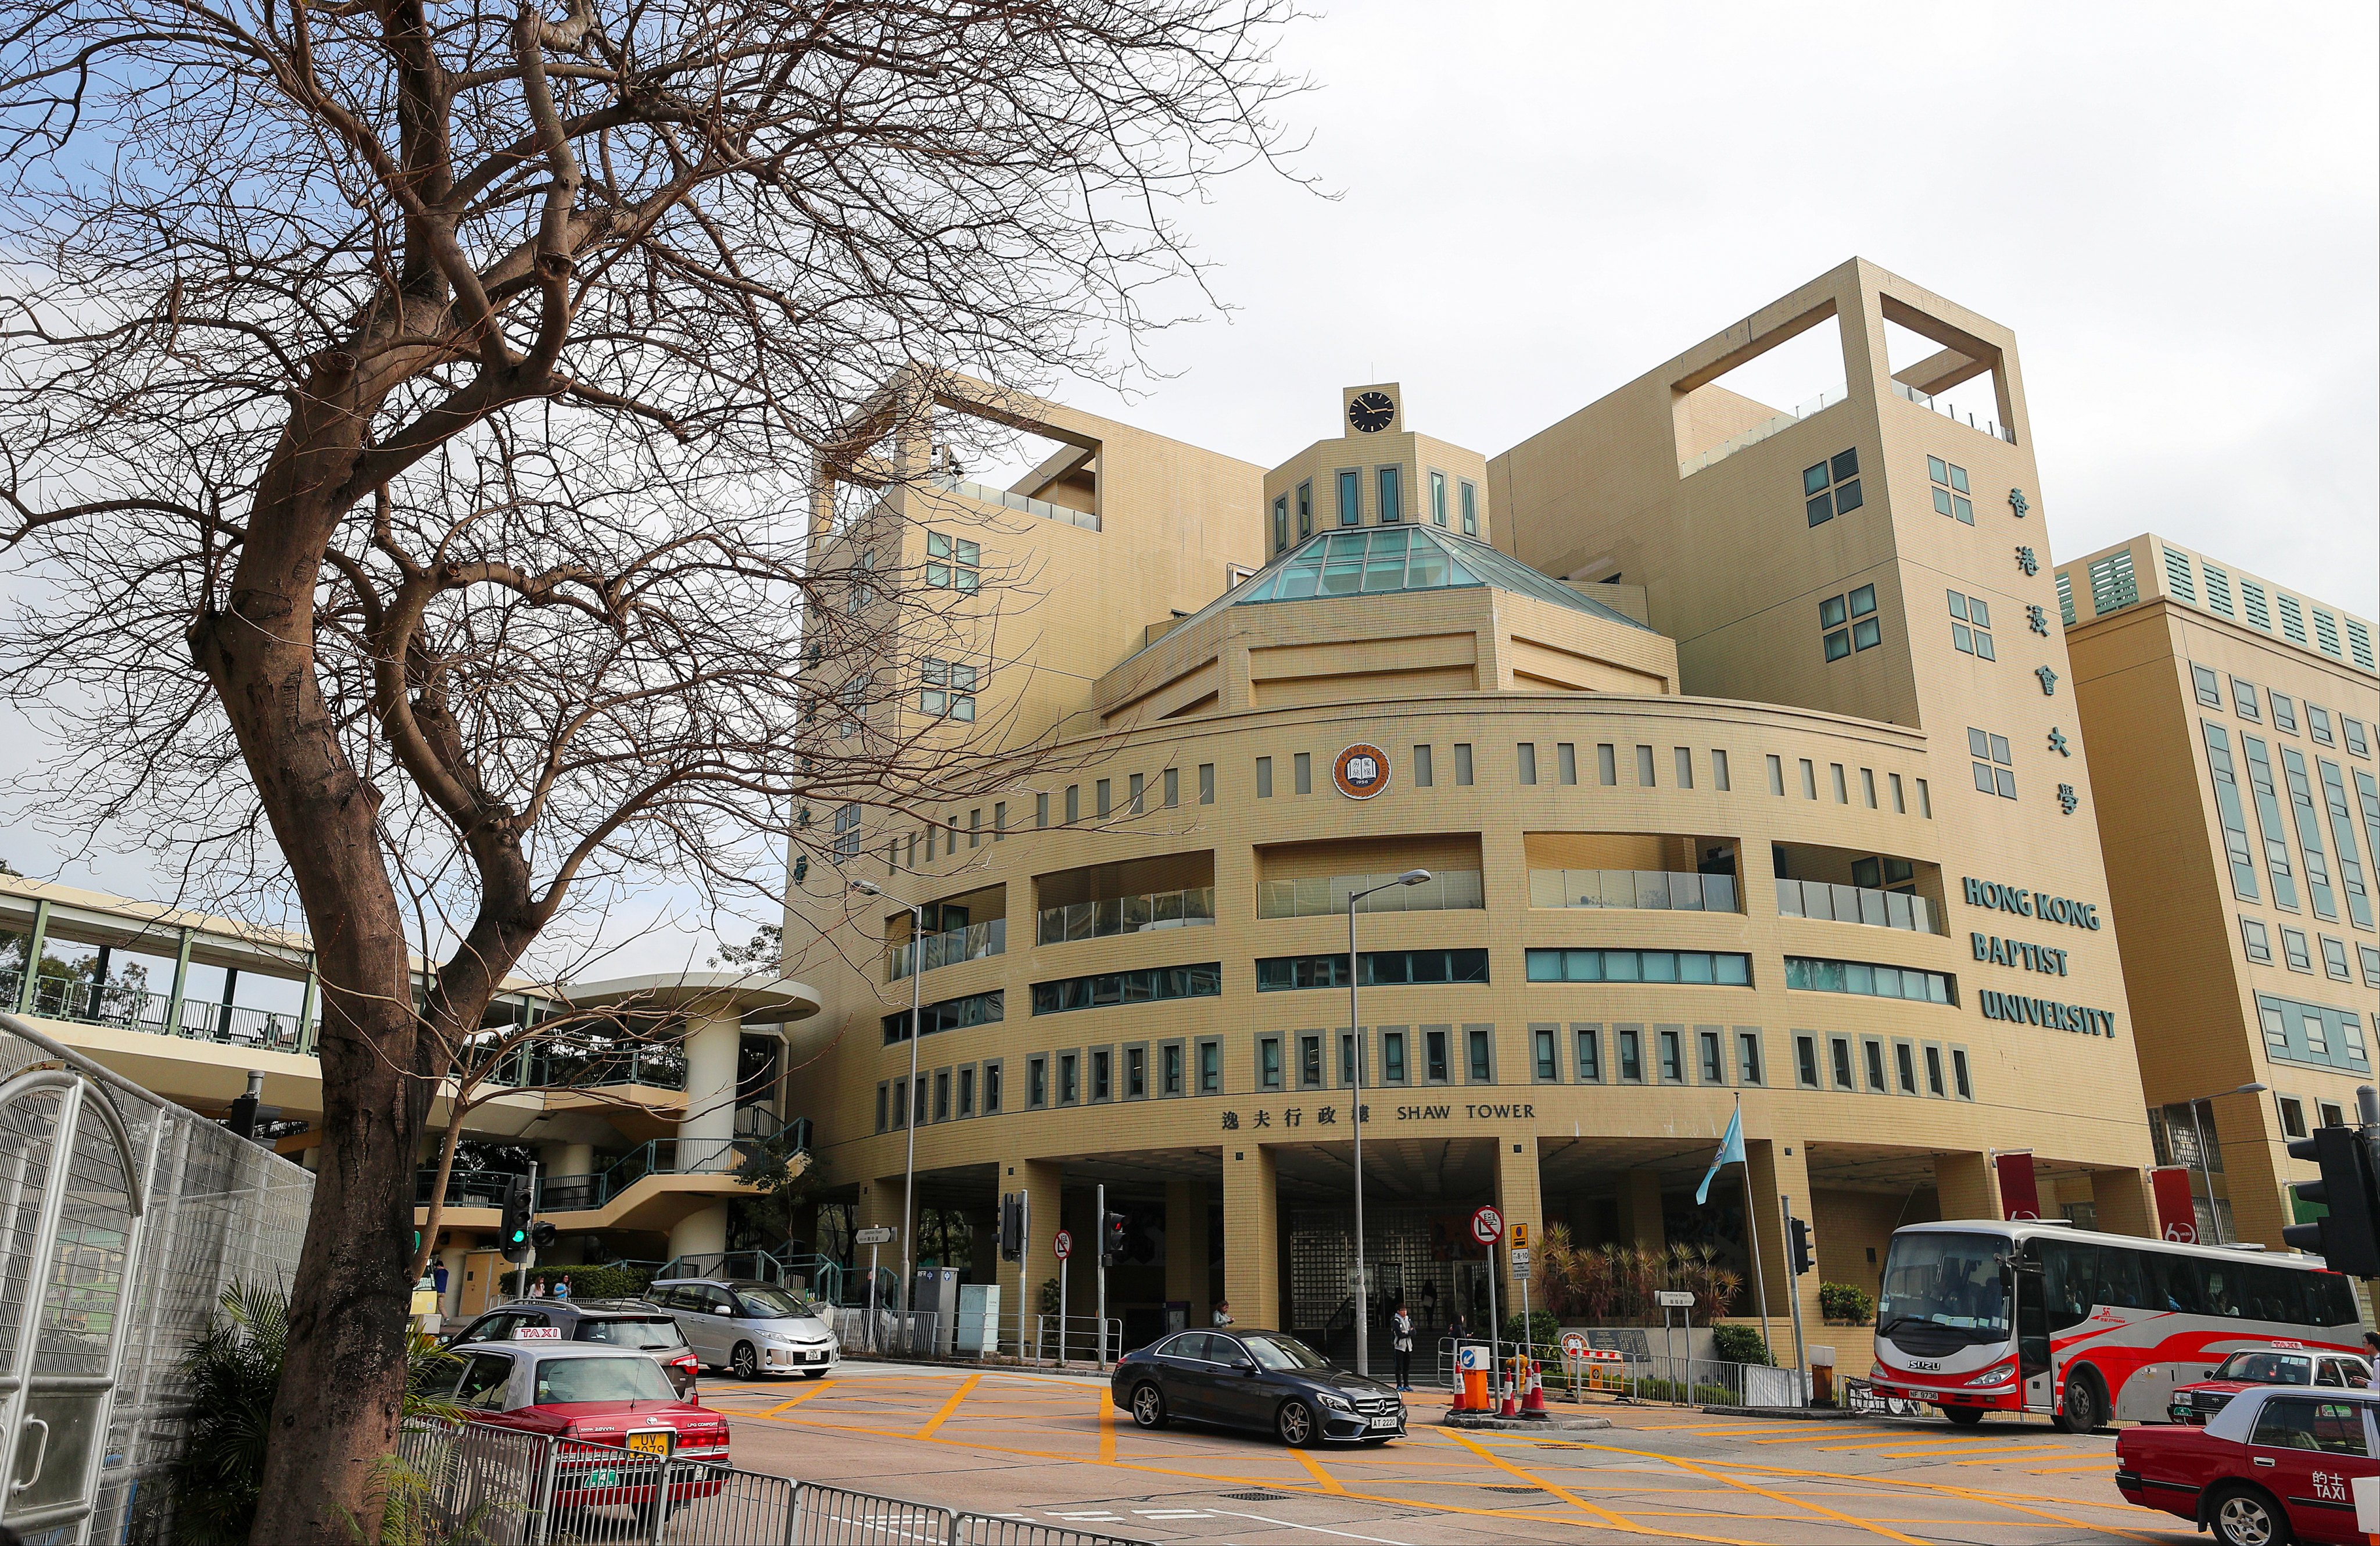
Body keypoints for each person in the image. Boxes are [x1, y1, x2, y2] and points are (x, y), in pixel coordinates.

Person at [1390, 1297, 1415, 1392]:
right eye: (1402, 1310)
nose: (1404, 1312)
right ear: (1398, 1311)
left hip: (1408, 1346)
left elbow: (1414, 1332)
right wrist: (1408, 1333)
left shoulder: (1409, 1320)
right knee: (1399, 1367)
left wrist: (1407, 1333)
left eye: (1405, 1310)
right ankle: (1399, 1385)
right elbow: (1399, 1334)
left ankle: (1406, 1384)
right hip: (1399, 1347)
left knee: (1407, 1367)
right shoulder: (1397, 1321)